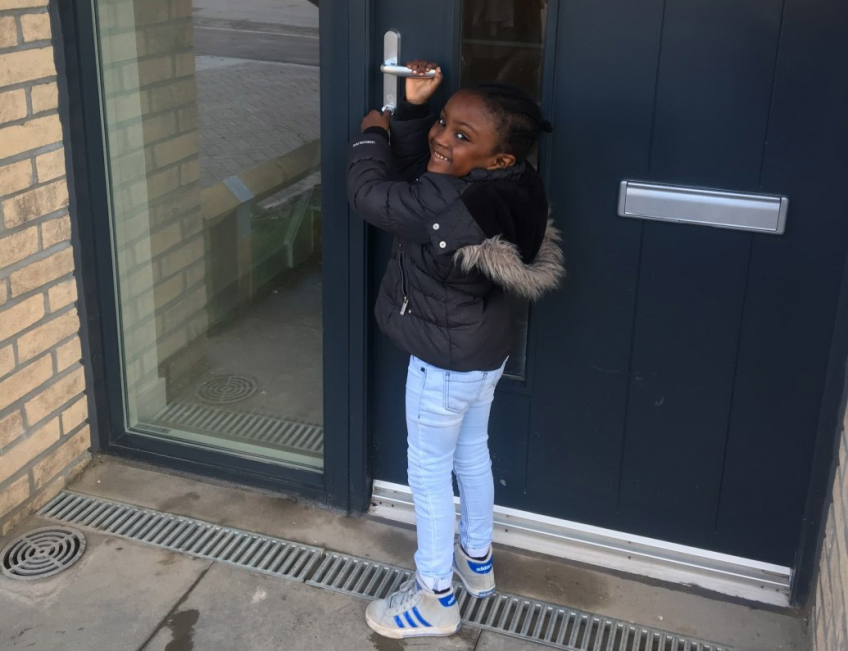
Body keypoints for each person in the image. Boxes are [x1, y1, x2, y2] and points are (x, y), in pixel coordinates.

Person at [347, 59, 564, 639]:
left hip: (444, 365)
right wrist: (417, 110)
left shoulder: (449, 209)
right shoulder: (513, 185)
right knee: (472, 455)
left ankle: (434, 598)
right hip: (482, 355)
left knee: (428, 474)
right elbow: (434, 170)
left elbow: (371, 195)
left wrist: (374, 132)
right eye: (443, 123)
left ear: (498, 158)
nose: (443, 138)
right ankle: (478, 563)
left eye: (460, 135)